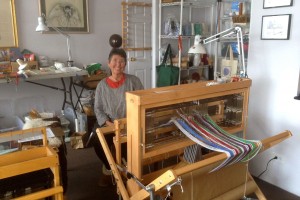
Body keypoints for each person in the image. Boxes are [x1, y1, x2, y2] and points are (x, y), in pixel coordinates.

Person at [92, 48, 143, 187]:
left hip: (129, 124)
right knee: (97, 141)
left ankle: (126, 168)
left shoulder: (134, 81)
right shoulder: (102, 85)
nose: (118, 64)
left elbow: (142, 102)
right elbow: (98, 108)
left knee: (129, 149)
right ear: (109, 63)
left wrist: (132, 122)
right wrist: (107, 123)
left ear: (125, 64)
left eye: (121, 61)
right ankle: (109, 167)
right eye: (115, 60)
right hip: (109, 123)